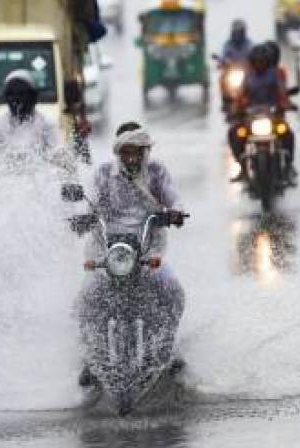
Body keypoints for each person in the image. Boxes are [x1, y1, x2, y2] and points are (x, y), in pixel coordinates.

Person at [77, 124, 186, 387]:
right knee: (85, 298)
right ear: (118, 151)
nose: (131, 157)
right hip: (109, 254)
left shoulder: (157, 172)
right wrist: (82, 216)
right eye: (126, 151)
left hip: (148, 252)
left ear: (145, 151)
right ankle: (90, 359)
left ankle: (168, 351)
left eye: (136, 151)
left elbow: (174, 197)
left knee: (172, 290)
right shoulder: (104, 174)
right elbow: (89, 202)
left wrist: (176, 211)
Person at [228, 44, 297, 183]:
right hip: (251, 117)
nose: (260, 64)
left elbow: (282, 92)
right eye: (257, 61)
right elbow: (240, 94)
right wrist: (236, 108)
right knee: (234, 133)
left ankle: (289, 166)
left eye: (263, 61)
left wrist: (286, 104)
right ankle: (242, 167)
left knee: (287, 134)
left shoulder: (275, 74)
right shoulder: (248, 76)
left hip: (272, 116)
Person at [0, 69, 75, 173]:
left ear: (33, 97)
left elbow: (59, 153)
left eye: (21, 95)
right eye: (11, 95)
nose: (16, 101)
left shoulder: (47, 124)